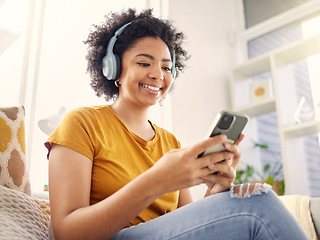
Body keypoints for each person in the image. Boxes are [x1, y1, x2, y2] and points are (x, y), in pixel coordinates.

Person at [46, 8, 308, 240]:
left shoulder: (170, 143)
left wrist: (216, 190)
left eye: (167, 67)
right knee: (259, 202)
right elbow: (67, 232)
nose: (158, 74)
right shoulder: (81, 123)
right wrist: (157, 181)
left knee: (253, 194)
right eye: (144, 62)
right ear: (113, 68)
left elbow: (187, 226)